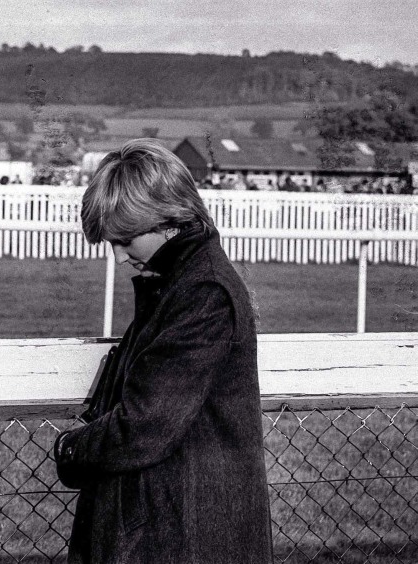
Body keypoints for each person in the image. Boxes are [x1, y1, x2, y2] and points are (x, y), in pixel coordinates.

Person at [54, 139, 272, 563]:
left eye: (125, 240)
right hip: (176, 523)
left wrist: (70, 449)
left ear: (167, 221)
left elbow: (144, 426)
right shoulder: (179, 283)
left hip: (186, 533)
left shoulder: (202, 292)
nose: (118, 258)